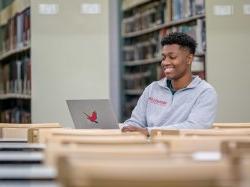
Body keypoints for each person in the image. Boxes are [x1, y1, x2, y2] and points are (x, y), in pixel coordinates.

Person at [121, 32, 218, 136]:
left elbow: (195, 127)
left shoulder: (205, 92)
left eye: (172, 57)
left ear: (189, 59)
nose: (165, 62)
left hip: (182, 149)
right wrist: (127, 128)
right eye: (163, 57)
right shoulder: (152, 89)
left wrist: (149, 131)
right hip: (149, 148)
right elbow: (136, 121)